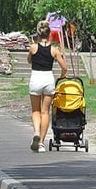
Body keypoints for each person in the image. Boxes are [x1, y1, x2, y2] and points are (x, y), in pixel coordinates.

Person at [27, 20, 68, 152]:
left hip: (36, 78)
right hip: (48, 79)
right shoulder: (54, 50)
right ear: (49, 35)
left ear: (38, 35)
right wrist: (62, 76)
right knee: (45, 112)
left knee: (35, 111)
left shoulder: (33, 47)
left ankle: (36, 133)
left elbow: (29, 60)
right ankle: (41, 144)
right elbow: (64, 67)